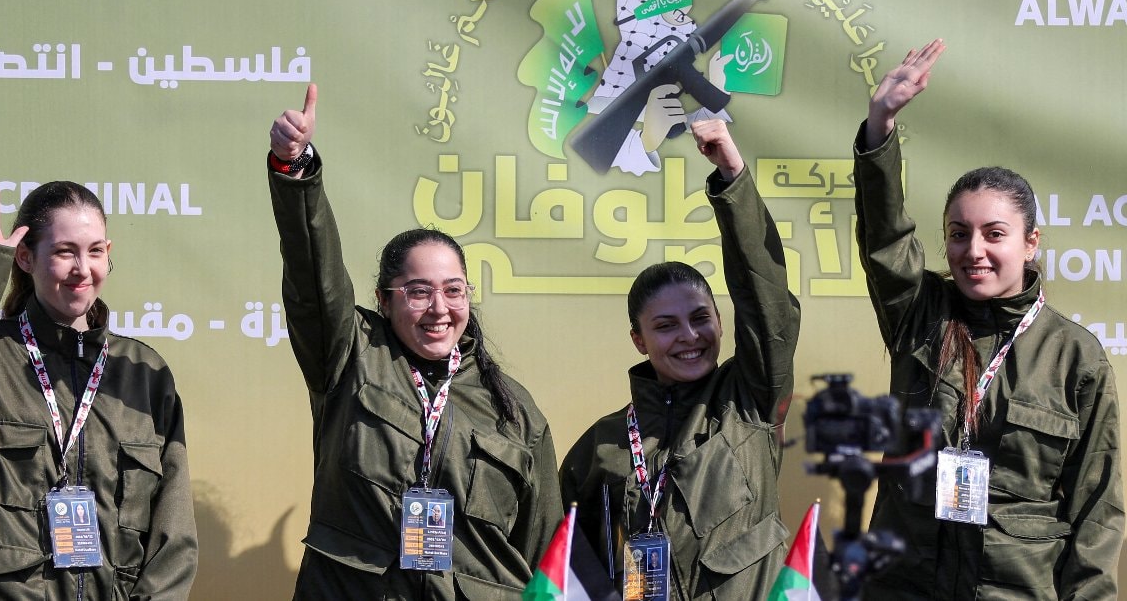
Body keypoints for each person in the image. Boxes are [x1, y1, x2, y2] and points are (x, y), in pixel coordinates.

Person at [267, 84, 563, 599]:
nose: (440, 308)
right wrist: (297, 172)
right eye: (419, 292)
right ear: (384, 300)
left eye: (454, 290)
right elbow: (314, 273)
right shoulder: (352, 357)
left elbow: (545, 557)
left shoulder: (515, 411)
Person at [854, 39, 1123, 599]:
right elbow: (885, 239)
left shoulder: (1074, 355)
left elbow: (1096, 508)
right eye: (959, 234)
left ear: (1030, 242)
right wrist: (880, 127)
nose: (973, 250)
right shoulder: (921, 315)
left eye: (994, 234)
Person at [560, 118, 800, 599]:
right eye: (666, 326)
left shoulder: (748, 401)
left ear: (720, 321)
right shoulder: (603, 444)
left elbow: (767, 302)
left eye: (700, 318)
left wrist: (733, 179)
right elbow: (564, 557)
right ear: (639, 340)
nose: (689, 336)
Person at [0, 182, 197, 599]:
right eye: (65, 252)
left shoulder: (145, 372)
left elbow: (173, 531)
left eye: (95, 251)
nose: (82, 269)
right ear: (25, 257)